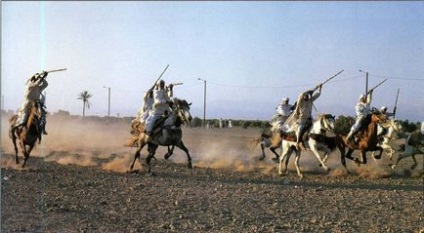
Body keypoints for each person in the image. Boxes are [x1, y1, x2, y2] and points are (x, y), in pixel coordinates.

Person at [285, 84, 323, 149]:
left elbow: (318, 94)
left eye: (307, 96)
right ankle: (297, 142)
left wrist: (320, 88)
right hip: (301, 120)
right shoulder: (300, 101)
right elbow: (301, 94)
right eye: (305, 96)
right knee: (299, 129)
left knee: (318, 128)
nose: (306, 97)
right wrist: (314, 89)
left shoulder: (310, 100)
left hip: (309, 119)